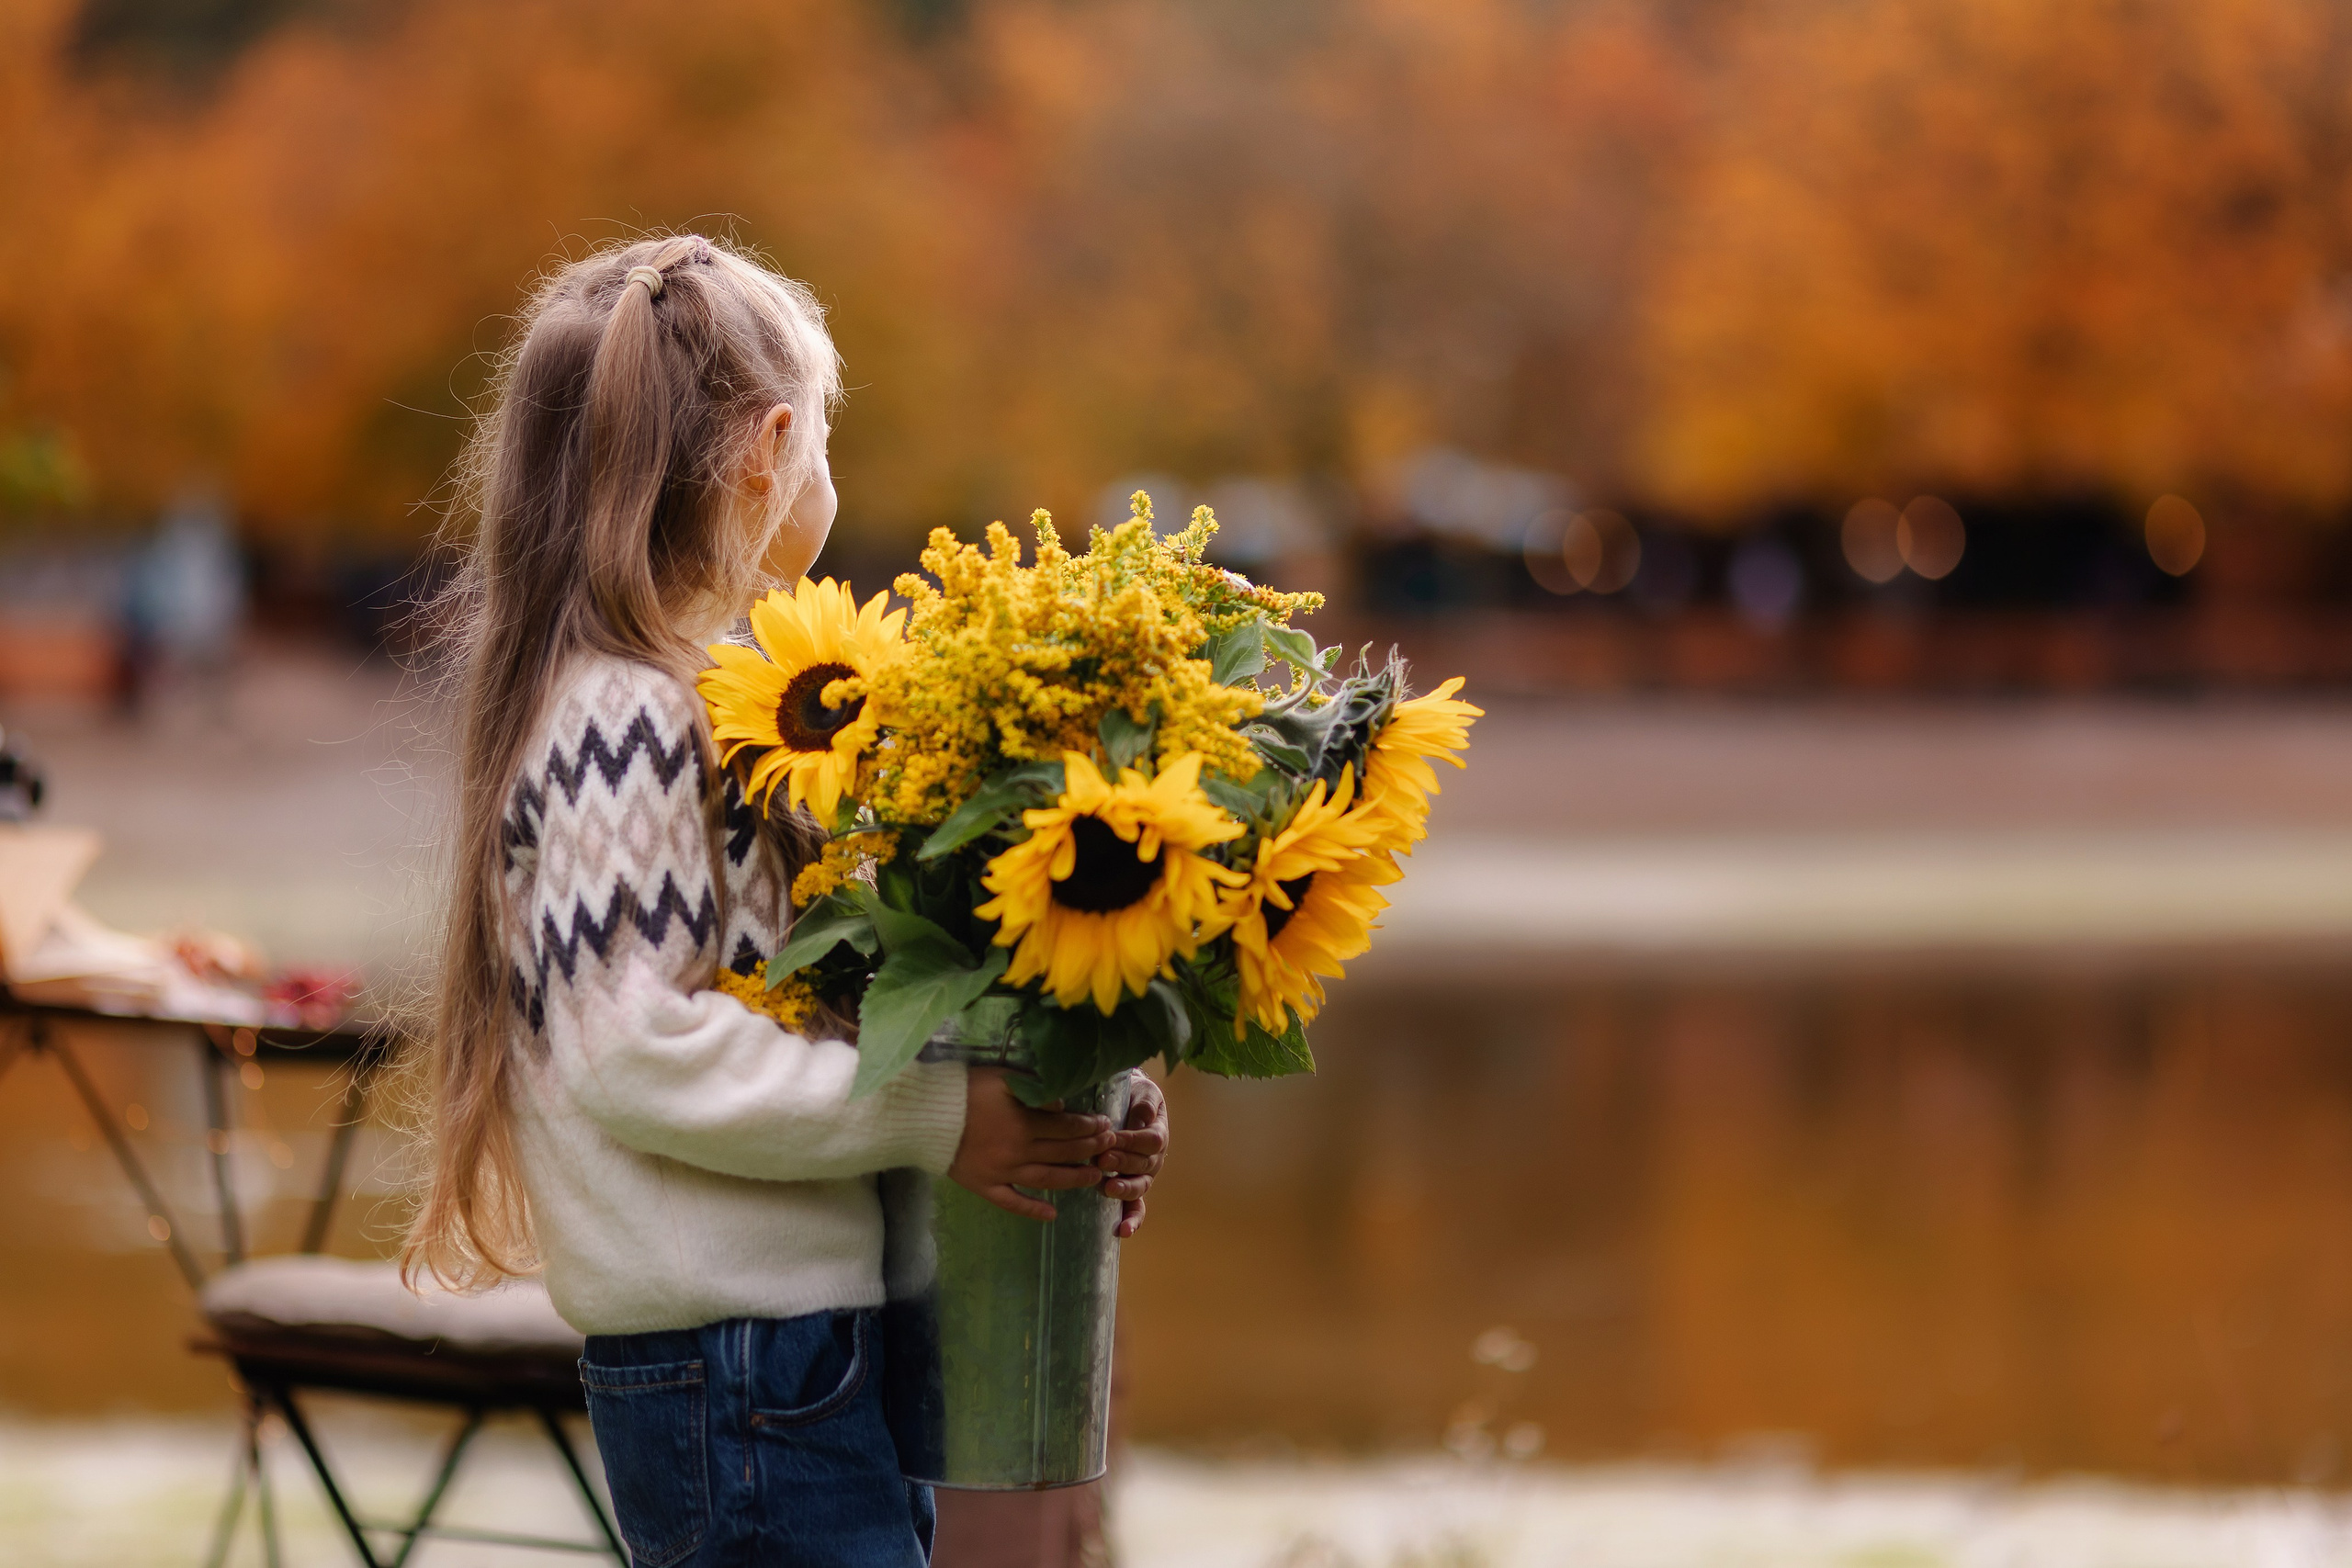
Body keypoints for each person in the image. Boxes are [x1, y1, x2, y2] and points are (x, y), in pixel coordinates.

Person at [402, 233, 1169, 1567]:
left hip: (793, 1350)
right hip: (738, 1366)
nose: (825, 464)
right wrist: (945, 1115)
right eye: (823, 432)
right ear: (768, 446)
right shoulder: (622, 721)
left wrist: (1056, 1101)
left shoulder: (711, 705)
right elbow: (635, 1048)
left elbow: (807, 1010)